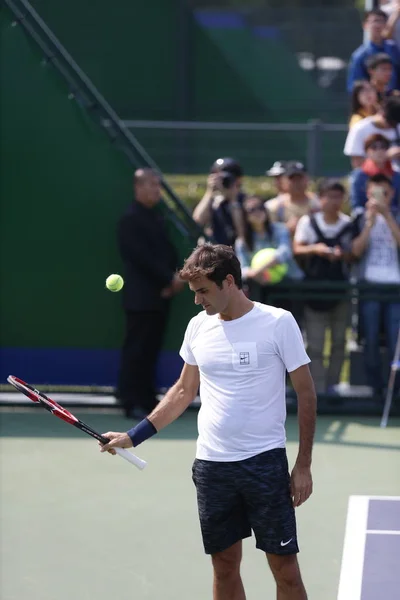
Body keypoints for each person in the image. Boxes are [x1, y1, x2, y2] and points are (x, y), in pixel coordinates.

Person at [100, 243, 317, 600]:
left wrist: (303, 465)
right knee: (224, 565)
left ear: (229, 282)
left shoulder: (278, 323)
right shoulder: (198, 327)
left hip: (264, 463)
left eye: (203, 291)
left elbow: (306, 395)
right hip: (212, 467)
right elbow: (184, 391)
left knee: (286, 570)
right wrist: (133, 436)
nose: (198, 301)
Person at [116, 168, 184, 419]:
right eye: (153, 185)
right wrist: (168, 278)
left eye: (158, 185)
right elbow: (139, 257)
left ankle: (146, 399)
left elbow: (166, 253)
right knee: (136, 349)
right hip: (140, 298)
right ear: (139, 187)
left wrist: (175, 278)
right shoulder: (130, 219)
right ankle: (129, 400)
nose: (157, 190)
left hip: (160, 297)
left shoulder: (156, 217)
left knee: (150, 349)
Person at [293, 181, 354, 395]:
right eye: (329, 196)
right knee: (315, 346)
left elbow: (354, 253)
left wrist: (342, 254)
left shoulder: (348, 223)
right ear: (320, 197)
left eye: (339, 196)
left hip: (340, 293)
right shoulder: (308, 222)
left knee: (339, 343)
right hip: (313, 293)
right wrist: (316, 249)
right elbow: (297, 248)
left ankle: (333, 387)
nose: (334, 201)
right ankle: (317, 390)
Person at [352, 173, 400, 398]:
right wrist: (370, 223)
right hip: (369, 286)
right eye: (374, 193)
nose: (380, 197)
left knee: (395, 340)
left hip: (395, 288)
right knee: (370, 337)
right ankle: (375, 389)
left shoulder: (397, 215)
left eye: (385, 193)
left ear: (392, 194)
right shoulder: (360, 217)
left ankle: (395, 389)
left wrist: (388, 216)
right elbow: (355, 251)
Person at [235, 195, 299, 305]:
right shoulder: (242, 242)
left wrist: (260, 269)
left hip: (289, 285)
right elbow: (242, 269)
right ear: (245, 216)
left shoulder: (280, 229)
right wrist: (254, 274)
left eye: (260, 208)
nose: (258, 212)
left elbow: (285, 252)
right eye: (252, 210)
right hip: (261, 290)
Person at [192, 157, 245, 245]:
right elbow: (197, 222)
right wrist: (209, 192)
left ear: (238, 180)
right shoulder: (212, 201)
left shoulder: (246, 201)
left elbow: (242, 235)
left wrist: (233, 200)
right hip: (216, 251)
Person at [347, 8, 400, 93]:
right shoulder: (360, 55)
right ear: (365, 25)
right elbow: (355, 87)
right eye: (374, 21)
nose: (378, 25)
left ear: (386, 25)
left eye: (381, 21)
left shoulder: (393, 48)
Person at [265, 161, 320, 240]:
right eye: (293, 179)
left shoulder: (318, 203)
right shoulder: (273, 206)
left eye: (300, 178)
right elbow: (267, 235)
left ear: (307, 179)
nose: (297, 183)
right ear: (284, 181)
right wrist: (285, 229)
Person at [344, 95, 400, 169]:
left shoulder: (398, 127)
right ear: (381, 113)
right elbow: (357, 164)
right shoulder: (360, 129)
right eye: (390, 123)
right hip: (371, 177)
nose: (391, 127)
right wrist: (384, 157)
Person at [349, 133, 400, 209]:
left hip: (393, 218)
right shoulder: (358, 176)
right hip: (367, 217)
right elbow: (356, 206)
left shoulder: (397, 176)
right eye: (374, 147)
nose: (379, 150)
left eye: (383, 147)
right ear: (366, 152)